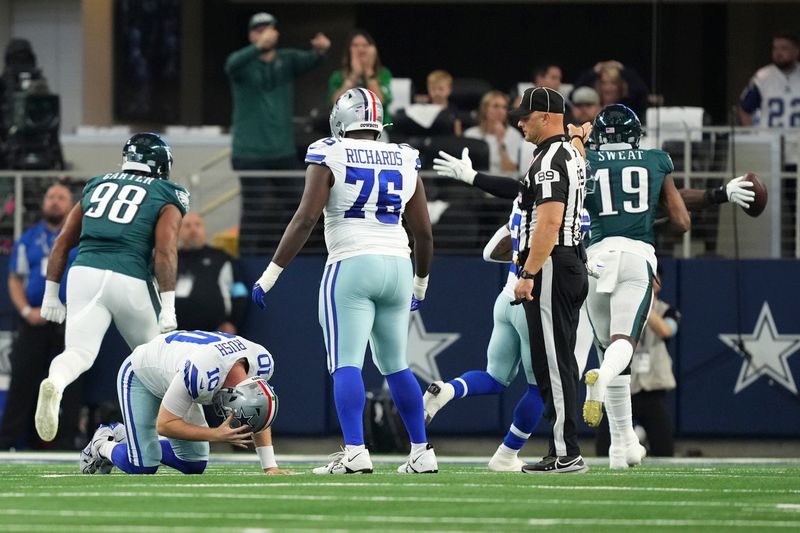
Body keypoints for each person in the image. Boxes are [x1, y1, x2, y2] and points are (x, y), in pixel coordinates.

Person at [251, 88, 435, 474]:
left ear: (341, 119)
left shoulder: (329, 150)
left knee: (346, 362)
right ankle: (421, 451)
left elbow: (304, 220)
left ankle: (355, 451)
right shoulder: (404, 155)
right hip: (398, 263)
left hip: (352, 262)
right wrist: (420, 283)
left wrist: (270, 275)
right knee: (396, 364)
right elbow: (423, 231)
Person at [434, 87, 590, 473]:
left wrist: (528, 272)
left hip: (550, 264)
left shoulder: (551, 158)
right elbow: (526, 190)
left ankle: (566, 452)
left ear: (547, 117)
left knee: (553, 368)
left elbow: (550, 220)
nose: (519, 121)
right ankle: (558, 451)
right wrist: (474, 177)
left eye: (526, 115)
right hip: (565, 261)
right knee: (555, 366)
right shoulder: (563, 152)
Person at [33, 133, 190, 443]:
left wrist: (51, 293)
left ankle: (55, 382)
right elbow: (165, 251)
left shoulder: (97, 184)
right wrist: (169, 305)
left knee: (79, 352)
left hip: (84, 273)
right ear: (161, 164)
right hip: (129, 275)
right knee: (158, 359)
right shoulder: (166, 191)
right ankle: (175, 437)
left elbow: (63, 241)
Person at [581, 104, 691, 468]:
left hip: (595, 259)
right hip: (635, 255)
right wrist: (645, 221)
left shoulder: (584, 160)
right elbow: (680, 220)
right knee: (623, 345)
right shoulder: (656, 159)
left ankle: (621, 448)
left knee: (606, 349)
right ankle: (601, 382)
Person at [79, 330, 287, 475]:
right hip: (141, 373)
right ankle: (102, 444)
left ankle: (127, 437)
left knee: (193, 464)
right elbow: (165, 424)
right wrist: (215, 434)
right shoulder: (202, 373)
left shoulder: (260, 364)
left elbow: (258, 411)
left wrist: (269, 466)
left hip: (177, 372)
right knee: (142, 465)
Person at [225, 12, 331, 254]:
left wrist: (322, 49)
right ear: (252, 35)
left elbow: (312, 59)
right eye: (258, 30)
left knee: (304, 202)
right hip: (249, 152)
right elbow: (230, 65)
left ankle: (292, 254)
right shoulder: (243, 63)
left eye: (268, 29)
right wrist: (256, 48)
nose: (264, 33)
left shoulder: (287, 59)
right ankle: (247, 263)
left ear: (276, 33)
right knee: (255, 207)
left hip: (282, 150)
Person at [0, 184, 78, 450]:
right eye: (51, 197)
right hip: (34, 319)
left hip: (71, 321)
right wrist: (25, 311)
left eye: (61, 197)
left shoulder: (81, 239)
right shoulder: (28, 238)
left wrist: (72, 309)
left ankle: (67, 443)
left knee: (71, 382)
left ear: (70, 205)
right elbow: (15, 279)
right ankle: (8, 441)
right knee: (22, 379)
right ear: (43, 203)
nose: (55, 202)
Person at [596, 272, 679, 458]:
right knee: (604, 443)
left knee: (664, 446)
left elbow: (666, 330)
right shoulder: (618, 306)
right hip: (623, 385)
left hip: (652, 389)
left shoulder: (667, 310)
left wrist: (642, 302)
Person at [176, 212, 248, 334]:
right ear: (178, 232)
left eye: (197, 225)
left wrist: (233, 322)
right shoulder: (170, 259)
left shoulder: (221, 258)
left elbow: (240, 292)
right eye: (187, 226)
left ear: (204, 229)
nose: (193, 230)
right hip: (176, 335)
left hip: (215, 334)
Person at [328, 30, 393, 124]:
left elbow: (380, 101)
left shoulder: (383, 74)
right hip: (346, 127)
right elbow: (336, 105)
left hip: (377, 127)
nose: (360, 50)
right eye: (355, 45)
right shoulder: (338, 76)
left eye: (365, 45)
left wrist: (368, 71)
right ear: (348, 49)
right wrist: (354, 75)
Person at [464, 91, 523, 176]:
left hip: (502, 182)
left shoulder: (514, 135)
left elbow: (510, 170)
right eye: (496, 106)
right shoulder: (470, 134)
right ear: (485, 109)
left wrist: (501, 143)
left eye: (504, 107)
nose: (501, 111)